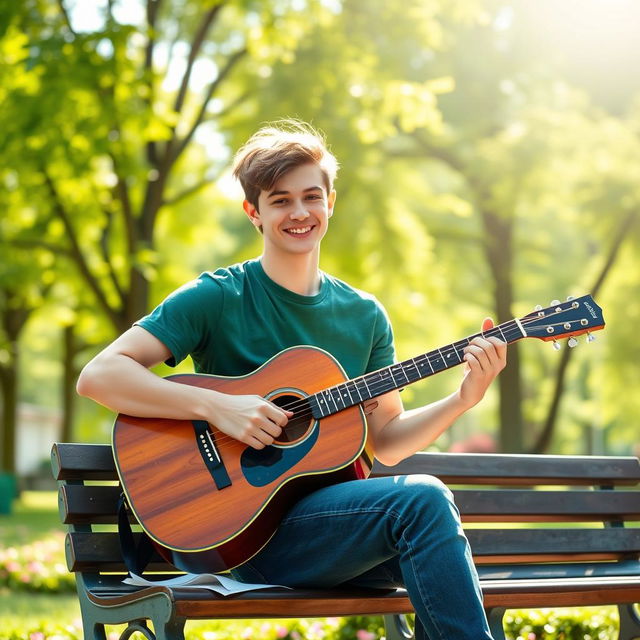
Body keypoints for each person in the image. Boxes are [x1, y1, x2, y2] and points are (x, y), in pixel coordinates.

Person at [77, 120, 506, 639]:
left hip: (335, 533)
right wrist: (218, 408)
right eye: (280, 200)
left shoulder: (365, 315)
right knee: (425, 501)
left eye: (311, 196)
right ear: (253, 212)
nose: (299, 212)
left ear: (330, 203)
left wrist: (462, 399)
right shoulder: (217, 296)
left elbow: (388, 442)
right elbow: (100, 375)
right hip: (237, 534)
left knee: (436, 539)